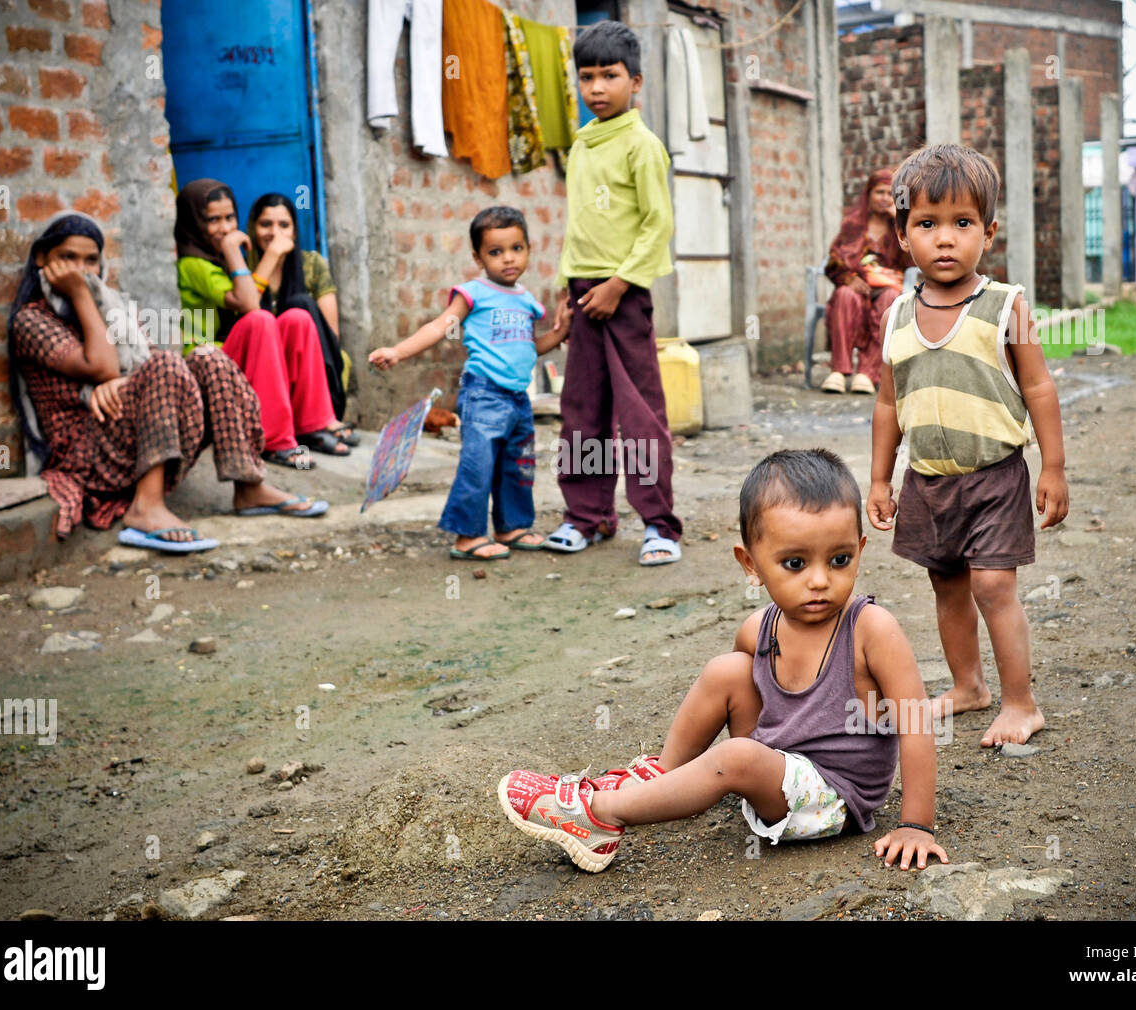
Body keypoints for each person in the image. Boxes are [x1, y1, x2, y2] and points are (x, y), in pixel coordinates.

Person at [498, 449, 946, 873]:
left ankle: (599, 816)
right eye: (794, 563)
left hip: (834, 799)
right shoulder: (759, 629)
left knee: (735, 756)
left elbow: (916, 722)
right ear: (751, 565)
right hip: (772, 772)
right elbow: (741, 695)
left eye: (840, 560)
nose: (819, 580)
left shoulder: (871, 629)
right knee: (727, 670)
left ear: (860, 550)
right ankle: (662, 775)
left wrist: (916, 824)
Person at [867, 143, 1070, 747]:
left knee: (992, 587)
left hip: (994, 476)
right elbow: (887, 404)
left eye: (963, 223)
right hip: (927, 481)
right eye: (928, 224)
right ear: (903, 235)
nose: (946, 239)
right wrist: (880, 479)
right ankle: (967, 687)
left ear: (989, 230)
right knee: (948, 587)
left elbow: (1039, 387)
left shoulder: (1007, 306)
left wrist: (1052, 467)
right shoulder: (898, 314)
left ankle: (1020, 702)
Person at [7, 211, 327, 553]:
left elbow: (145, 361)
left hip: (129, 434)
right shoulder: (31, 320)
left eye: (90, 261)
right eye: (67, 258)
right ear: (42, 259)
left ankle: (248, 485)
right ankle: (146, 506)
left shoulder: (114, 307)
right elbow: (101, 366)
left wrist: (123, 380)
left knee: (208, 358)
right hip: (88, 451)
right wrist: (80, 295)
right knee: (162, 365)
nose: (81, 271)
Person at [544, 19, 682, 566]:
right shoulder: (581, 144)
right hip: (583, 292)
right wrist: (564, 286)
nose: (597, 88)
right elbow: (577, 223)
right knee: (582, 408)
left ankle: (659, 525)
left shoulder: (641, 146)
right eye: (586, 77)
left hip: (622, 295)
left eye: (610, 75)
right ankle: (588, 516)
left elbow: (657, 225)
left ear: (636, 81)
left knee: (638, 413)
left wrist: (618, 284)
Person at [367, 206, 566, 560]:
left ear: (529, 249)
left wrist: (563, 331)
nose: (508, 259)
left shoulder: (527, 301)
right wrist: (398, 351)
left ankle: (512, 526)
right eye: (496, 251)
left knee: (518, 465)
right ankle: (468, 536)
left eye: (516, 248)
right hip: (485, 394)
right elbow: (438, 326)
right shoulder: (473, 292)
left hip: (519, 400)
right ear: (478, 257)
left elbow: (531, 349)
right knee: (478, 465)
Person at [174, 178, 349, 466]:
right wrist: (233, 253)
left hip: (225, 350)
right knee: (260, 321)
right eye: (213, 220)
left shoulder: (218, 259)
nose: (226, 228)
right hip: (204, 359)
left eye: (230, 217)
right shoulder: (195, 264)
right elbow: (249, 304)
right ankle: (274, 439)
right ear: (194, 222)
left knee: (297, 318)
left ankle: (312, 424)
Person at [246, 193, 355, 438]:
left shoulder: (312, 264)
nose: (275, 233)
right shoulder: (243, 270)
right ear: (253, 229)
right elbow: (247, 307)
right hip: (265, 363)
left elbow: (331, 334)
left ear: (294, 231)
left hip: (308, 359)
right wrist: (272, 257)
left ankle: (322, 415)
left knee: (300, 304)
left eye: (284, 225)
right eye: (266, 224)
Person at [819, 168, 911, 395]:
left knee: (890, 300)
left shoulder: (902, 227)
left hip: (887, 288)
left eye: (890, 194)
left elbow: (913, 260)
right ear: (868, 194)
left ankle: (868, 373)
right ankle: (839, 371)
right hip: (857, 286)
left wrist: (898, 220)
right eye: (879, 192)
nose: (884, 198)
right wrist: (849, 279)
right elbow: (834, 261)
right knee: (843, 295)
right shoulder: (853, 224)